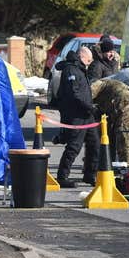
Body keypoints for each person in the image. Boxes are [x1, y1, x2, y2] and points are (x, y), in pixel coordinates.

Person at [54, 46, 99, 188]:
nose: (90, 62)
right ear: (81, 57)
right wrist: (89, 107)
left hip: (87, 115)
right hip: (77, 115)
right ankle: (62, 176)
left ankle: (90, 175)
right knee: (74, 146)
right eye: (89, 59)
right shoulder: (71, 70)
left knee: (95, 144)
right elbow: (75, 94)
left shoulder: (80, 69)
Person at [90, 79, 129, 168]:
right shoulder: (108, 86)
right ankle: (119, 167)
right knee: (128, 141)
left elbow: (87, 97)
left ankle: (126, 169)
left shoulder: (97, 85)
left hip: (126, 109)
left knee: (124, 143)